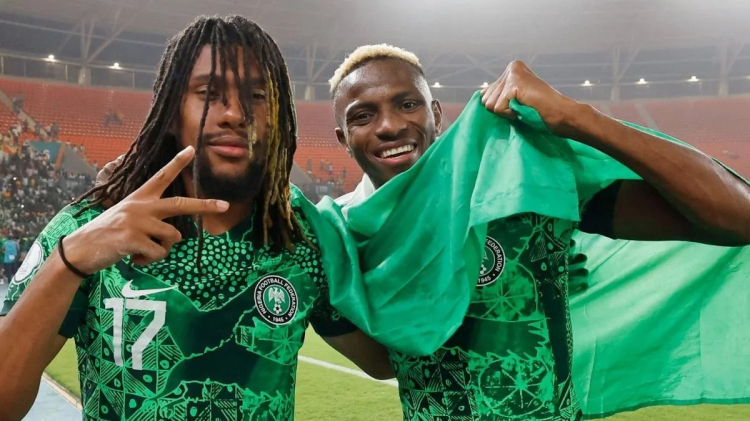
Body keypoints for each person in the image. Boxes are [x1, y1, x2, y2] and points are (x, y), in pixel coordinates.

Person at [329, 44, 750, 420]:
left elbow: (740, 217)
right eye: (363, 116)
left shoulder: (520, 182)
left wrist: (577, 117)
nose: (390, 126)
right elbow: (382, 364)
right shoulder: (340, 237)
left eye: (407, 104)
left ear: (436, 115)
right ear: (343, 139)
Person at [0, 17, 391, 421]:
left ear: (277, 116)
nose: (235, 113)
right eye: (208, 93)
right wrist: (70, 260)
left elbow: (385, 362)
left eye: (257, 95)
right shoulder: (94, 223)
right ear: (172, 112)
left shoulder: (304, 234)